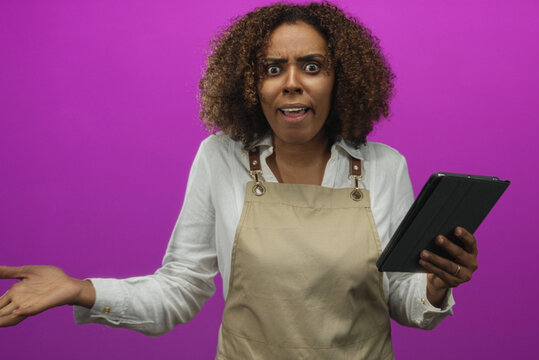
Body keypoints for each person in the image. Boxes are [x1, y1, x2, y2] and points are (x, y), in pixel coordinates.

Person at [0, 2, 479, 359]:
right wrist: (81, 289)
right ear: (252, 85)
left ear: (342, 80)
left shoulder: (383, 167)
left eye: (312, 66)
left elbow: (403, 299)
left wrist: (435, 284)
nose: (292, 82)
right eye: (273, 69)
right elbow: (179, 290)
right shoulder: (220, 159)